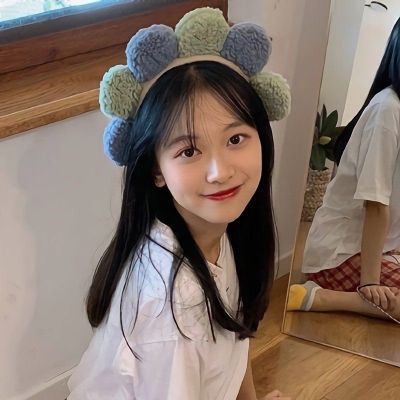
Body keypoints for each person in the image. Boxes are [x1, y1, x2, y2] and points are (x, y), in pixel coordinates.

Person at [67, 7, 292, 400]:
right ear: (156, 169)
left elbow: (235, 342)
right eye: (189, 151)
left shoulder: (217, 231)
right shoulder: (173, 308)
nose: (219, 172)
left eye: (235, 139)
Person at [288, 18, 400, 322]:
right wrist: (371, 283)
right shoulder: (387, 109)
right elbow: (375, 204)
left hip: (381, 249)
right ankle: (324, 297)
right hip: (340, 253)